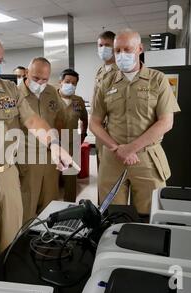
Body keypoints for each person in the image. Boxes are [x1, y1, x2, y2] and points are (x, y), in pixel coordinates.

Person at [0, 35, 73, 270]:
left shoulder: (9, 89)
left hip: (9, 174)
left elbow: (33, 119)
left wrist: (53, 144)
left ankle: (10, 285)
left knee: (13, 241)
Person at [90, 29, 180, 215]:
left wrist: (130, 148)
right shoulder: (106, 83)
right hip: (112, 159)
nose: (122, 55)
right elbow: (95, 123)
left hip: (146, 158)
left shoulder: (157, 80)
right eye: (117, 50)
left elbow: (166, 122)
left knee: (150, 215)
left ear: (140, 48)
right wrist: (117, 148)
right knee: (112, 215)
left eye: (127, 49)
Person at [18, 57, 67, 222]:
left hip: (50, 156)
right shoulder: (15, 94)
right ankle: (23, 241)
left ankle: (48, 241)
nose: (40, 83)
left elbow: (60, 118)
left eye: (44, 79)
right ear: (26, 72)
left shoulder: (51, 92)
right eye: (36, 78)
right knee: (28, 203)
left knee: (51, 202)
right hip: (28, 158)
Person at [57, 69, 88, 202]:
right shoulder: (51, 99)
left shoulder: (78, 101)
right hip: (53, 144)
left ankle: (69, 207)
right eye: (67, 82)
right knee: (52, 180)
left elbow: (84, 120)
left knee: (70, 179)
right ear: (61, 82)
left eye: (73, 83)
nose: (70, 85)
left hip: (72, 142)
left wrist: (82, 136)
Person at [93, 31, 118, 165]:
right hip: (99, 125)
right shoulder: (101, 70)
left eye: (107, 45)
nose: (103, 49)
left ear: (115, 46)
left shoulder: (121, 70)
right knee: (100, 160)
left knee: (112, 163)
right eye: (100, 45)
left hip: (113, 126)